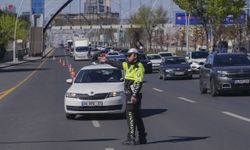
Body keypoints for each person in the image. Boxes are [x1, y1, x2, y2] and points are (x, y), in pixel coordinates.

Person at [98, 48, 147, 145]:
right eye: (127, 55)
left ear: (135, 56)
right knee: (137, 116)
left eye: (130, 55)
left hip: (133, 95)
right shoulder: (128, 65)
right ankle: (142, 138)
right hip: (130, 94)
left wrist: (134, 95)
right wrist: (106, 61)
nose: (127, 57)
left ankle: (131, 137)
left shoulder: (138, 66)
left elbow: (139, 82)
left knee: (130, 115)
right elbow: (118, 64)